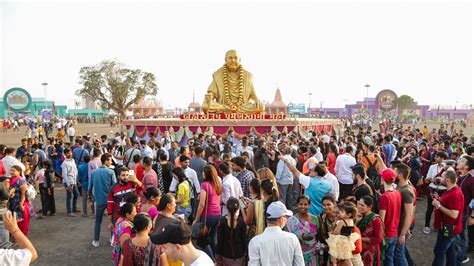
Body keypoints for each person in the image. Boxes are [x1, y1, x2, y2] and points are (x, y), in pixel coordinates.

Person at [202, 49, 264, 113]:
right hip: (223, 106)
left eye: (235, 58)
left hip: (242, 107)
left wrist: (258, 101)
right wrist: (208, 99)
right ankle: (232, 110)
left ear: (239, 60)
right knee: (205, 106)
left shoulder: (247, 76)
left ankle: (231, 110)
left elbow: (253, 94)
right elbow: (211, 94)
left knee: (261, 107)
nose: (233, 60)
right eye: (230, 58)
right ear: (225, 60)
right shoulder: (218, 75)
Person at [248, 201, 304, 266]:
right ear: (281, 219)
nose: (286, 220)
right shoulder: (293, 239)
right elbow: (300, 264)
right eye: (286, 217)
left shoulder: (255, 242)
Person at [430, 169, 464, 266]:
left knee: (439, 251)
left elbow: (454, 214)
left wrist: (438, 205)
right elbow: (449, 204)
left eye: (443, 177)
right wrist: (439, 199)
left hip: (448, 228)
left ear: (448, 180)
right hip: (447, 226)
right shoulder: (450, 190)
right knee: (450, 250)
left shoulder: (455, 194)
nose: (440, 179)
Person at [192, 164, 222, 260]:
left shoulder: (205, 185)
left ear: (207, 174)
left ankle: (211, 260)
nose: (202, 174)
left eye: (203, 172)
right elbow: (219, 200)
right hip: (217, 214)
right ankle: (215, 258)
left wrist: (196, 219)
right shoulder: (217, 184)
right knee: (213, 238)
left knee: (203, 240)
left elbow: (201, 205)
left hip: (208, 215)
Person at [89, 153, 117, 248]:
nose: (111, 162)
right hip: (110, 201)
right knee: (113, 220)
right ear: (105, 161)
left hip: (99, 200)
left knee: (98, 221)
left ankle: (96, 240)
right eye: (110, 160)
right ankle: (112, 239)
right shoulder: (110, 172)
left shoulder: (94, 172)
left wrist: (90, 196)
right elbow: (115, 187)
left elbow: (90, 187)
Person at [287, 195, 321, 265]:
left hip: (312, 254)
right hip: (297, 255)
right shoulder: (291, 220)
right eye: (300, 204)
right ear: (297, 205)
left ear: (309, 206)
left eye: (305, 204)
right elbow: (288, 239)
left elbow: (319, 236)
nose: (303, 206)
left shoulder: (315, 219)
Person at [326, 201, 363, 266]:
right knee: (347, 257)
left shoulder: (342, 222)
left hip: (341, 241)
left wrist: (333, 232)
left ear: (348, 215)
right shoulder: (351, 221)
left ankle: (334, 263)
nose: (339, 214)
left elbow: (335, 233)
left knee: (333, 253)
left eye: (341, 212)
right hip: (348, 242)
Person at [377, 168, 401, 266]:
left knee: (383, 259)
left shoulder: (384, 197)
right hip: (394, 232)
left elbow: (381, 219)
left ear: (382, 179)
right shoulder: (397, 193)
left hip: (386, 233)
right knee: (389, 258)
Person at [215, 197, 247, 265]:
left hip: (225, 254)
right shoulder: (241, 221)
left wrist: (217, 255)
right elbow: (244, 240)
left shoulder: (222, 221)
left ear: (226, 207)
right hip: (239, 254)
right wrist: (245, 252)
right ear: (238, 208)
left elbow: (219, 241)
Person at [455, 155, 474, 264]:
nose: (459, 161)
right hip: (455, 212)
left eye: (461, 160)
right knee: (455, 235)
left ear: (466, 167)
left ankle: (461, 258)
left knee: (460, 236)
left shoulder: (471, 180)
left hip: (463, 213)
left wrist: (472, 216)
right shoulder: (460, 176)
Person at [356, 195, 383, 266]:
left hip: (370, 252)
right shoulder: (361, 216)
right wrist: (357, 221)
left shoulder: (376, 219)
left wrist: (360, 238)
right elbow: (354, 231)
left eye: (362, 205)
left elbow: (378, 239)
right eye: (359, 204)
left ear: (370, 207)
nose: (359, 207)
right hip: (360, 249)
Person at [8, 165, 30, 236]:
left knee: (20, 220)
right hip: (12, 203)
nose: (12, 172)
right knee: (13, 219)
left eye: (13, 171)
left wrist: (21, 204)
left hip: (18, 202)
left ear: (19, 171)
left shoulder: (21, 180)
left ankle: (20, 236)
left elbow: (23, 194)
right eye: (11, 170)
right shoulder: (10, 179)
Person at [318, 194, 337, 266]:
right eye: (324, 205)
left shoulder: (340, 216)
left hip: (340, 249)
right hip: (326, 248)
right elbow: (320, 234)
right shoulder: (320, 217)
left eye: (328, 204)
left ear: (334, 204)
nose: (326, 207)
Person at [61, 148, 79, 217]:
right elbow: (64, 175)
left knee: (76, 194)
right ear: (65, 154)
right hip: (68, 181)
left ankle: (74, 208)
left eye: (70, 152)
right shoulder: (64, 163)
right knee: (69, 196)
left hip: (73, 181)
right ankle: (69, 211)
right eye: (68, 153)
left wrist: (77, 180)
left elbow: (75, 170)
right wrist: (68, 185)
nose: (70, 154)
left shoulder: (73, 160)